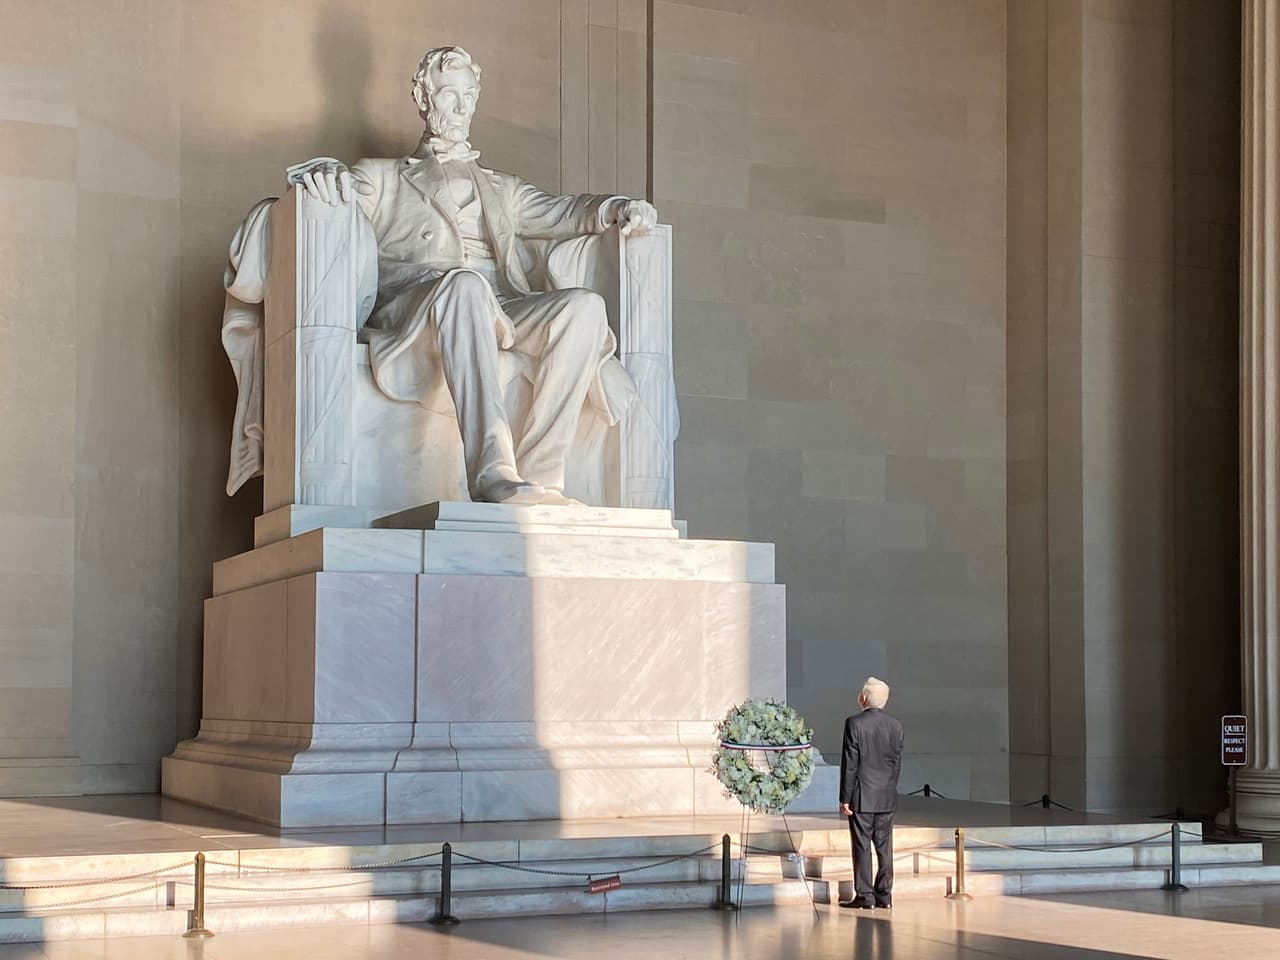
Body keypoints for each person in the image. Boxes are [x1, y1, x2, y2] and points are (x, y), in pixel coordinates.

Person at [287, 46, 657, 505]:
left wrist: (615, 209)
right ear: (424, 99)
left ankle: (541, 477)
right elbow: (336, 191)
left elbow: (566, 211)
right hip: (418, 306)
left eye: (469, 96)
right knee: (465, 286)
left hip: (500, 308)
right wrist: (325, 173)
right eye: (448, 96)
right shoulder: (384, 177)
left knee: (584, 307)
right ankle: (491, 470)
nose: (462, 108)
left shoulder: (504, 188)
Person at [838, 676, 904, 909]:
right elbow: (896, 763)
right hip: (886, 795)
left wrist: (845, 797)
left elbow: (850, 763)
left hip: (862, 795)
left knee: (862, 845)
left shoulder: (854, 723)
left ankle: (865, 895)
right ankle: (884, 895)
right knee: (884, 846)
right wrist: (890, 787)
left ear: (863, 697)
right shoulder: (896, 725)